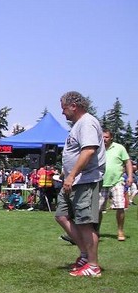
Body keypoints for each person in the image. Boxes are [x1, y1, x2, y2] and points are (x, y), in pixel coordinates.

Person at [55, 91, 106, 277]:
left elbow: (88, 151)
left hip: (85, 180)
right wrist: (66, 172)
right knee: (61, 215)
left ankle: (93, 265)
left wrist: (72, 175)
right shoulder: (78, 125)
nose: (62, 113)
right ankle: (85, 255)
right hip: (72, 180)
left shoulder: (87, 122)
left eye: (64, 108)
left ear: (74, 106)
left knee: (85, 223)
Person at [98, 129, 133, 241]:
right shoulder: (97, 148)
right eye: (102, 137)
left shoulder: (119, 148)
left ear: (111, 137)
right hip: (101, 181)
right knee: (97, 209)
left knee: (120, 206)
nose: (104, 139)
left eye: (106, 137)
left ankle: (120, 231)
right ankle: (96, 231)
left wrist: (130, 176)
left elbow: (127, 162)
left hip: (117, 181)